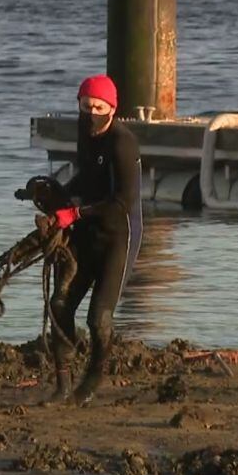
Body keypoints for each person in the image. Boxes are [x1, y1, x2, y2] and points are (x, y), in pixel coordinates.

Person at [47, 75, 143, 406]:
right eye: (85, 106)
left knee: (98, 317)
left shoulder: (122, 142)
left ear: (112, 109)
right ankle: (61, 385)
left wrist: (74, 214)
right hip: (87, 230)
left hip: (119, 235)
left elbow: (122, 202)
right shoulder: (84, 133)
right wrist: (60, 195)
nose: (91, 113)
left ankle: (90, 383)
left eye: (98, 108)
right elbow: (87, 176)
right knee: (59, 304)